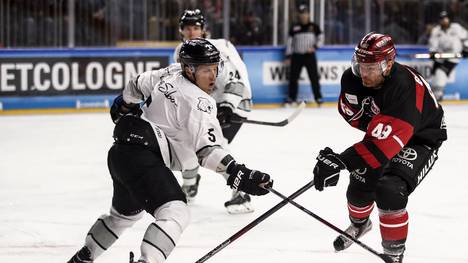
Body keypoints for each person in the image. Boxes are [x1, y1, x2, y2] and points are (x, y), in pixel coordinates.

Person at [68, 38, 272, 263]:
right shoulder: (200, 102)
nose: (213, 77)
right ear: (190, 69)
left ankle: (83, 258)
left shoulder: (171, 72)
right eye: (206, 70)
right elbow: (207, 151)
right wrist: (239, 173)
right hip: (144, 156)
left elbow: (136, 83)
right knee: (176, 212)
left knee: (122, 216)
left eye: (215, 69)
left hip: (121, 153)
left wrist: (123, 104)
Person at [312, 32, 447, 262]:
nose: (363, 73)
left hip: (422, 138)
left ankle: (394, 254)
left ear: (388, 64)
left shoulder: (404, 87)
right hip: (388, 131)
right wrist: (351, 158)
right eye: (361, 65)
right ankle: (360, 225)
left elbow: (380, 147)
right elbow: (353, 116)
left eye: (371, 67)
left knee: (389, 189)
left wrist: (343, 160)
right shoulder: (352, 78)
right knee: (359, 180)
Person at [173, 9, 254, 214]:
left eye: (196, 27)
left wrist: (227, 106)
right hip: (207, 107)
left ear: (204, 29)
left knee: (212, 148)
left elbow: (236, 82)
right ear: (181, 30)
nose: (192, 32)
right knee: (185, 143)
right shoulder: (180, 52)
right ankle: (190, 184)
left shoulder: (216, 49)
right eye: (188, 28)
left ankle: (241, 192)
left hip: (235, 102)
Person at [284, 3, 323, 106]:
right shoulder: (294, 28)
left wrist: (314, 47)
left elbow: (321, 39)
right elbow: (289, 43)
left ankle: (318, 97)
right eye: (301, 14)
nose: (303, 15)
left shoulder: (314, 27)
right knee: (293, 78)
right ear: (298, 15)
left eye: (305, 13)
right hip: (297, 56)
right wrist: (288, 56)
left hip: (309, 56)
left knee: (314, 77)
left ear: (309, 14)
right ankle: (291, 99)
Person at [428, 10, 468, 101]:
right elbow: (432, 44)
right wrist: (433, 52)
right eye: (442, 19)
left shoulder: (456, 28)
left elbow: (466, 37)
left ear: (449, 19)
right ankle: (433, 96)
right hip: (441, 57)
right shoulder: (436, 30)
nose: (444, 21)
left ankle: (438, 95)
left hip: (454, 57)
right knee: (434, 77)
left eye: (445, 19)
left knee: (441, 73)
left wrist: (466, 48)